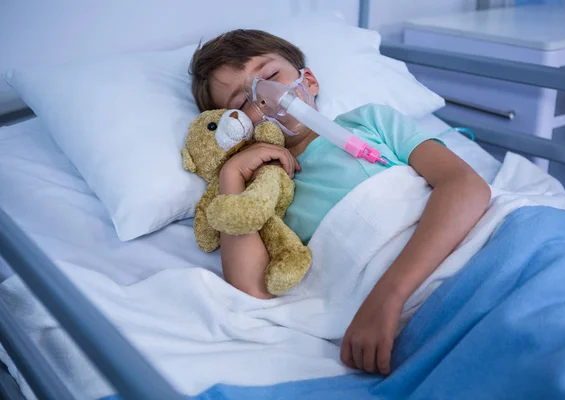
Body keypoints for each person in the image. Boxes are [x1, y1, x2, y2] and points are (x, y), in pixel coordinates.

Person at [189, 29, 491, 376]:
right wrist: (232, 176)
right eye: (243, 103)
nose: (268, 98)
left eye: (271, 76)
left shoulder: (371, 122)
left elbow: (465, 185)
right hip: (420, 318)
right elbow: (252, 290)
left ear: (310, 81)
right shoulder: (266, 190)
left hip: (470, 261)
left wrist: (388, 296)